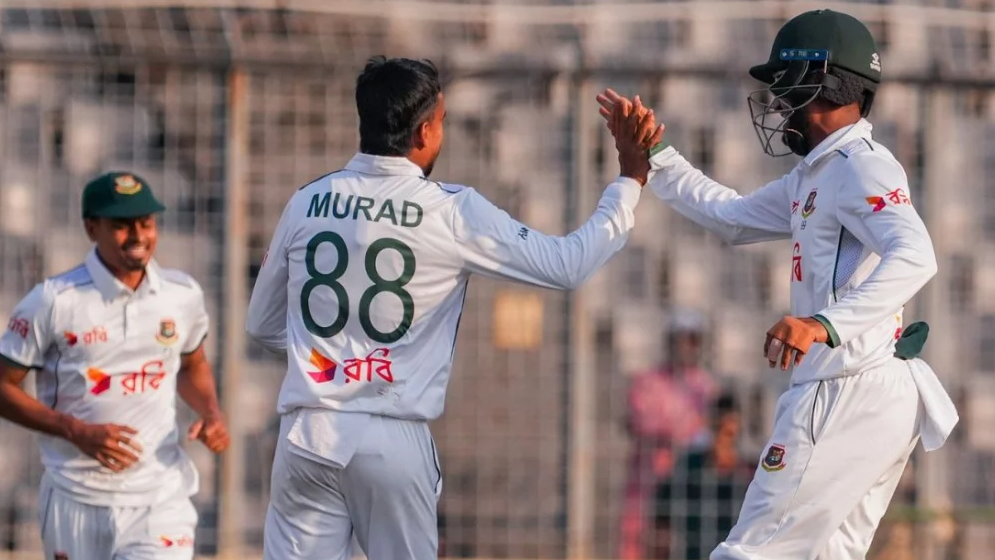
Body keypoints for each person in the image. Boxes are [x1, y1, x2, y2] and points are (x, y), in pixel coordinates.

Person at [245, 56, 661, 560]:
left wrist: (334, 362)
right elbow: (567, 265)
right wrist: (628, 182)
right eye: (441, 121)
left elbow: (262, 324)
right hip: (390, 433)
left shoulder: (307, 201)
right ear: (424, 131)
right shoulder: (451, 210)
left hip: (307, 433)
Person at [597, 9, 959, 560]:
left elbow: (915, 255)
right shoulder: (817, 173)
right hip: (864, 390)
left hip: (846, 388)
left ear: (826, 83)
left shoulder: (862, 166)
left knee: (749, 552)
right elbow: (731, 217)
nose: (780, 104)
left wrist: (821, 324)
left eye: (787, 87)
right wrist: (657, 156)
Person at [0, 172, 230, 559]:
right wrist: (75, 430)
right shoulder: (54, 300)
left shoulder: (182, 294)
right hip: (75, 497)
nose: (138, 236)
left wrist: (210, 412)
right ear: (92, 228)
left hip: (159, 498)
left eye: (146, 223)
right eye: (122, 225)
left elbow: (192, 364)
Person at [620, 308, 718, 559]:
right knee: (638, 539)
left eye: (693, 339)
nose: (686, 346)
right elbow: (640, 422)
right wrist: (684, 430)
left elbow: (711, 428)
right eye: (681, 338)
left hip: (689, 478)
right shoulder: (648, 381)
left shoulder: (705, 385)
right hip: (650, 475)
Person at [653, 392, 755, 560]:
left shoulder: (748, 473)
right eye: (719, 428)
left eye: (728, 432)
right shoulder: (690, 466)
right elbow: (661, 513)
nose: (723, 439)